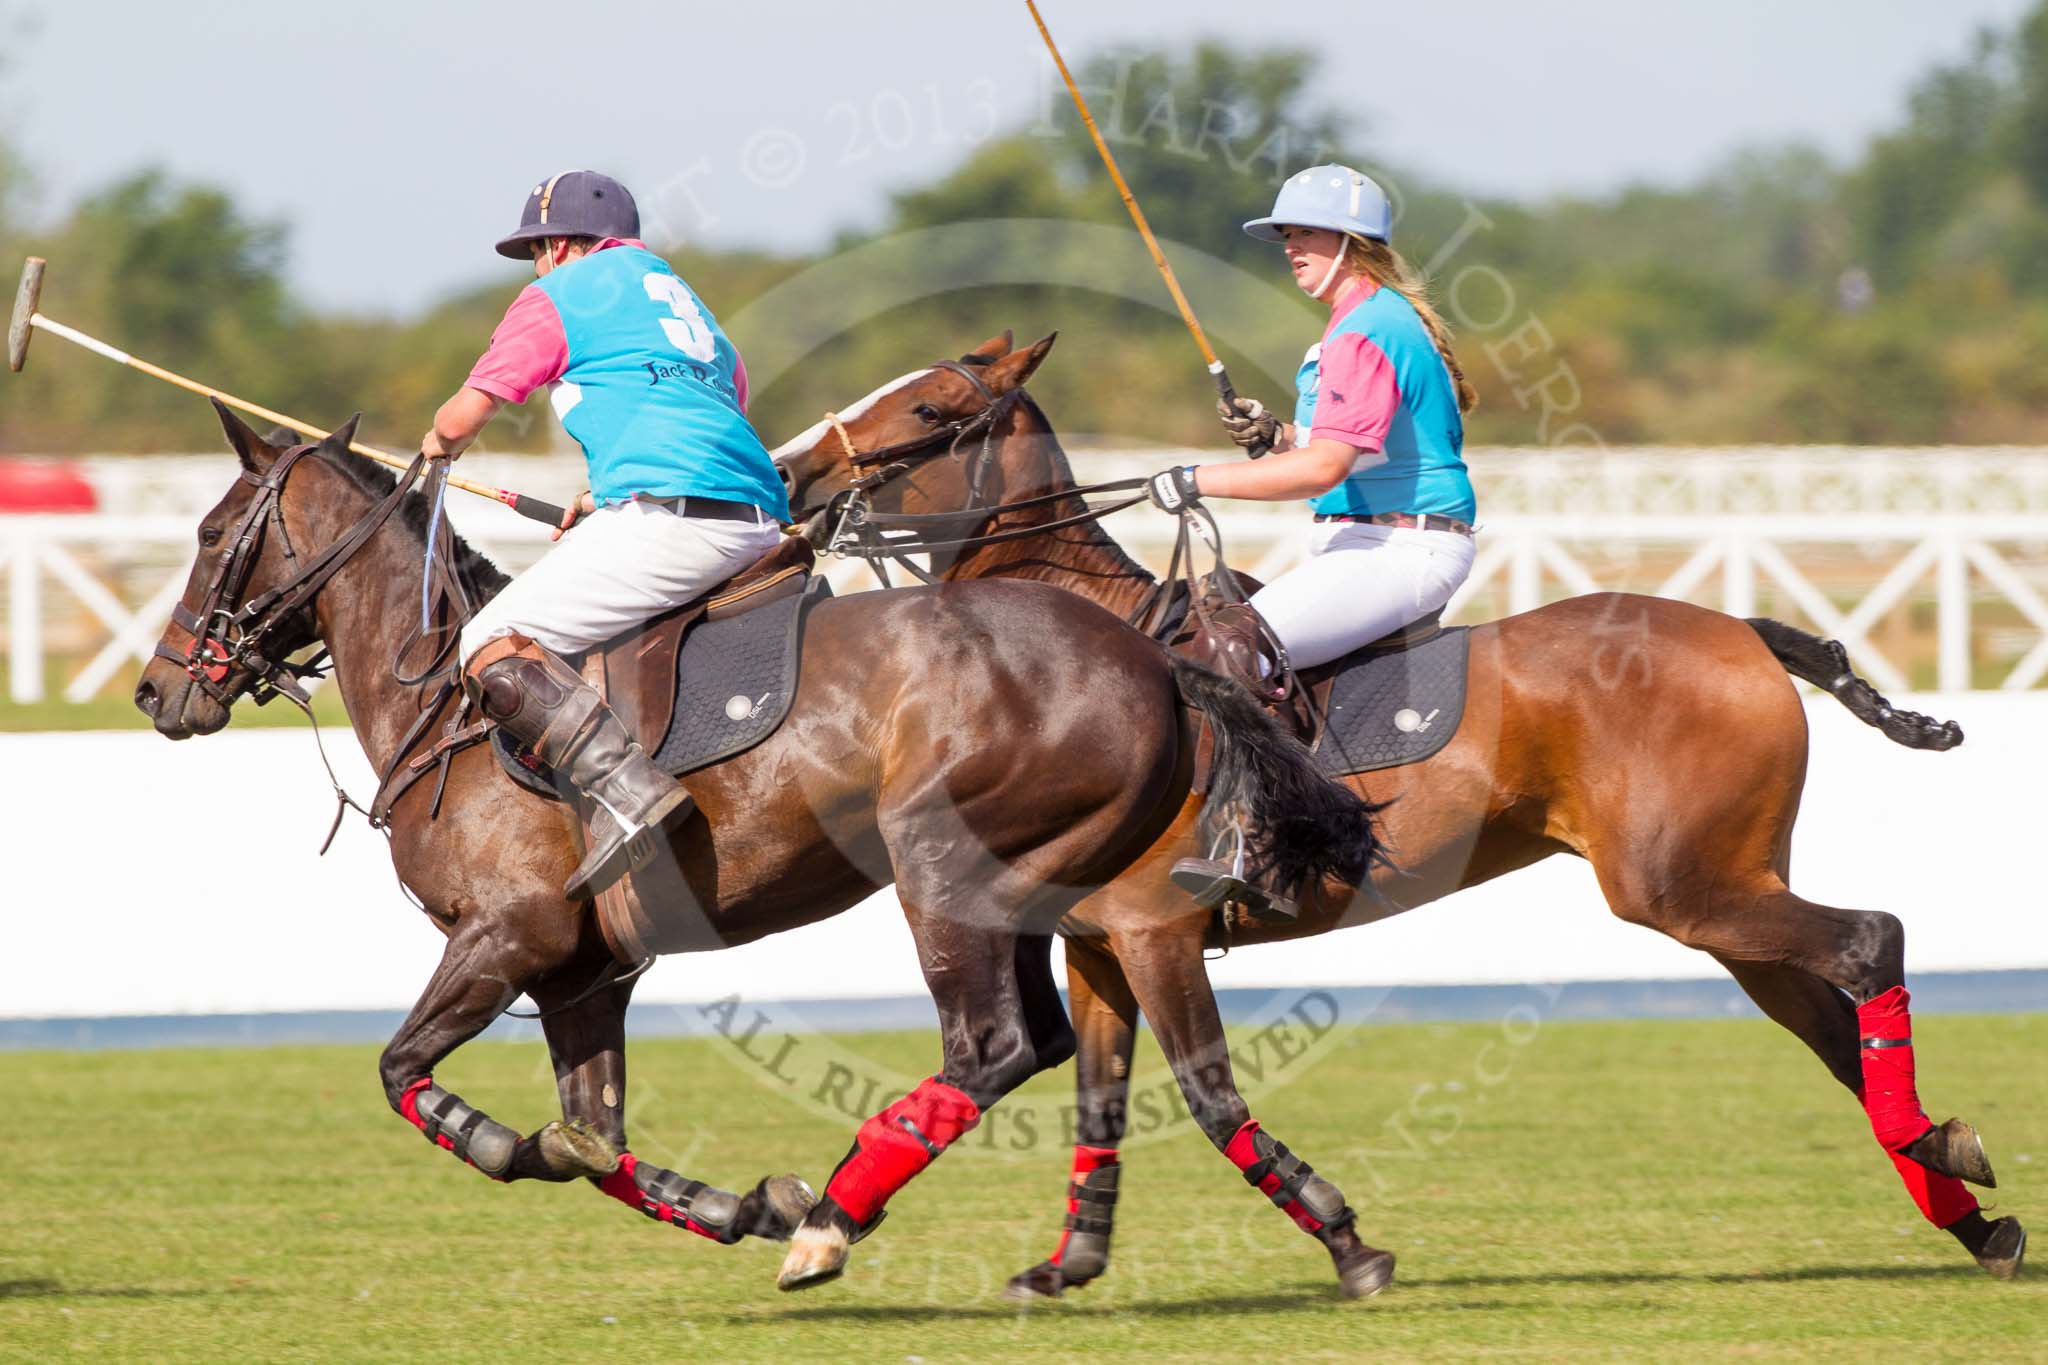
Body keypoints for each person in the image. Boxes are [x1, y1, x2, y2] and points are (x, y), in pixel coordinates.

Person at [424, 170, 790, 900]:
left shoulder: (560, 294)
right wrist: (608, 491)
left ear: (561, 244)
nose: (535, 266)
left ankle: (631, 794)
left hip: (679, 524)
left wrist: (435, 444)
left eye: (536, 250)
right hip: (759, 517)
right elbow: (722, 403)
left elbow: (466, 415)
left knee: (488, 643)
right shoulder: (683, 298)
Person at [1147, 163, 1480, 919]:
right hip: (1361, 540)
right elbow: (1348, 446)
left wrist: (1199, 477)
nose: (1290, 246)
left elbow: (1326, 468)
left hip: (1399, 547)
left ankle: (1247, 844)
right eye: (1286, 234)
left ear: (1351, 241)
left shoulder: (1367, 328)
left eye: (1305, 233)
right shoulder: (1366, 318)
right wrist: (1277, 436)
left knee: (1235, 645)